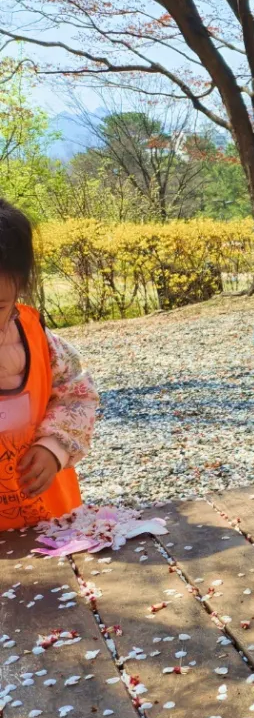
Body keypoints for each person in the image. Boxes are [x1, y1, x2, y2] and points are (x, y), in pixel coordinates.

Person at [0, 199, 98, 529]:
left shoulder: (40, 343)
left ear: (18, 291)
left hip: (47, 518)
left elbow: (77, 395)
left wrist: (54, 447)